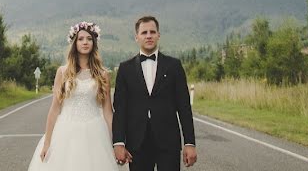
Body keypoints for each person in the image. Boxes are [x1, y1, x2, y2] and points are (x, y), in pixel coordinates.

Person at [27, 21, 126, 170]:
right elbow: (54, 109)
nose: (85, 42)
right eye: (81, 39)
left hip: (95, 133)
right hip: (66, 131)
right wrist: (47, 142)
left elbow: (107, 111)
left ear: (94, 43)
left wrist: (116, 142)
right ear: (74, 43)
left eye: (89, 39)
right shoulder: (63, 72)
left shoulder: (103, 74)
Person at [112, 16, 197, 170]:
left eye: (152, 32)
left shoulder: (174, 66)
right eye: (144, 32)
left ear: (159, 35)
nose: (149, 35)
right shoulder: (125, 69)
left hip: (168, 142)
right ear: (136, 37)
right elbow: (120, 109)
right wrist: (118, 142)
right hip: (137, 143)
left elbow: (184, 107)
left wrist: (189, 143)